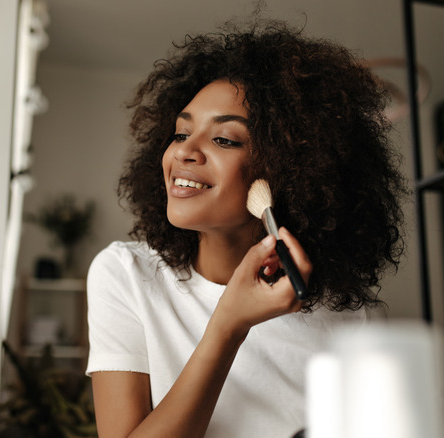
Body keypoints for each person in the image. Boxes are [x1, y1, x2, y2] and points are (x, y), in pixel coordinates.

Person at [85, 16, 408, 438]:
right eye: (182, 133)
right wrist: (228, 326)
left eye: (224, 139)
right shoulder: (126, 275)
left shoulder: (347, 318)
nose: (185, 151)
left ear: (291, 170)